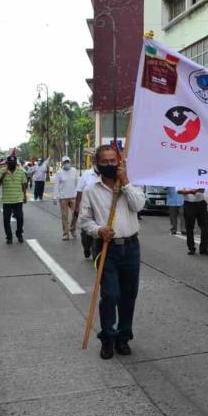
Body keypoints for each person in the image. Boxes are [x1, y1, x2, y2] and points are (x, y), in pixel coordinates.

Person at [79, 145, 146, 360]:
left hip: (131, 248)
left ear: (118, 162)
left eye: (112, 161)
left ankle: (123, 337)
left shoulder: (130, 184)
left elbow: (139, 206)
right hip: (106, 248)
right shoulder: (91, 190)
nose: (109, 165)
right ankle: (108, 337)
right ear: (97, 165)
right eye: (104, 162)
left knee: (128, 296)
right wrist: (99, 230)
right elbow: (85, 221)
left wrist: (125, 183)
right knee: (110, 296)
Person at [0, 155, 27, 244]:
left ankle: (19, 233)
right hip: (7, 200)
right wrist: (3, 176)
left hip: (18, 199)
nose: (12, 164)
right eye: (10, 162)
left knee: (20, 218)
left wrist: (24, 196)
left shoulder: (21, 171)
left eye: (13, 162)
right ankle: (9, 237)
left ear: (16, 163)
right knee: (6, 220)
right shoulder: (2, 171)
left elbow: (23, 184)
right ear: (7, 163)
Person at [180, 188, 208, 256]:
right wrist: (190, 191)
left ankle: (204, 249)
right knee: (189, 227)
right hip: (189, 205)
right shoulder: (183, 179)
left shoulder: (200, 178)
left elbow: (203, 190)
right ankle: (191, 248)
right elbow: (179, 191)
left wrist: (196, 190)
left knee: (205, 227)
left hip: (201, 204)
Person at [74, 164, 99, 259]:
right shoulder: (86, 174)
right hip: (87, 207)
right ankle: (86, 247)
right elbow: (79, 191)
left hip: (100, 208)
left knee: (97, 231)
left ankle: (95, 252)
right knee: (85, 232)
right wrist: (76, 207)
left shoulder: (106, 175)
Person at [56, 156, 78, 240]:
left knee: (75, 214)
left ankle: (72, 229)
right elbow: (56, 185)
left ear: (70, 162)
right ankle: (65, 233)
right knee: (64, 216)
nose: (66, 164)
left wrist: (79, 194)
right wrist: (55, 196)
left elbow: (77, 182)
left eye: (67, 162)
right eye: (65, 162)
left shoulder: (74, 171)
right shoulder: (59, 172)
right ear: (62, 163)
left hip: (73, 196)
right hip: (63, 197)